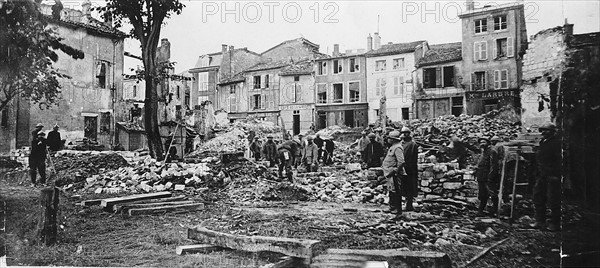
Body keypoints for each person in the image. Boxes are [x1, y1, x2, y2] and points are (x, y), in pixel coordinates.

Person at [531, 123, 561, 232]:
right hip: (541, 175)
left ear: (553, 132)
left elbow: (560, 161)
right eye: (542, 130)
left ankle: (555, 223)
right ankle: (540, 221)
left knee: (553, 200)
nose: (543, 132)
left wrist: (556, 175)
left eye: (546, 130)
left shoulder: (557, 143)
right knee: (538, 197)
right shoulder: (543, 142)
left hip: (552, 175)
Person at [381, 131, 406, 215]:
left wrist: (396, 171)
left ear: (393, 140)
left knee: (396, 191)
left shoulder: (398, 148)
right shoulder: (393, 147)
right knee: (391, 190)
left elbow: (401, 162)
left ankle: (397, 209)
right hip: (389, 173)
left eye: (389, 138)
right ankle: (392, 207)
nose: (388, 140)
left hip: (394, 173)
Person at [475, 137, 497, 216]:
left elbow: (493, 166)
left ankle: (495, 211)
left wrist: (491, 177)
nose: (482, 144)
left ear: (488, 143)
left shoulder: (492, 151)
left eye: (484, 142)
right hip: (481, 176)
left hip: (487, 177)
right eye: (480, 142)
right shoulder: (483, 152)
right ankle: (480, 211)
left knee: (492, 193)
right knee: (482, 194)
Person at [400, 126, 419, 211]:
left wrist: (408, 166)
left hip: (410, 169)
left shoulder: (412, 144)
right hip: (403, 168)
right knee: (403, 186)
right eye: (403, 133)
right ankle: (405, 203)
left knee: (410, 186)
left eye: (405, 133)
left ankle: (409, 204)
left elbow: (412, 158)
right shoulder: (401, 144)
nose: (404, 135)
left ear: (408, 134)